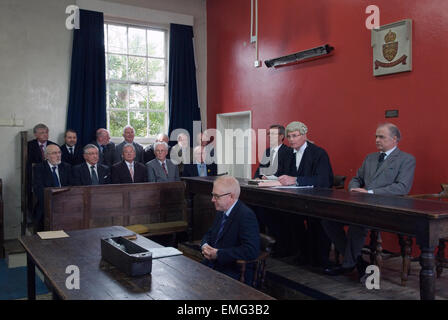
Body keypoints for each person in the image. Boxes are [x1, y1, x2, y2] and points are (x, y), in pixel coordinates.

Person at [322, 123, 416, 279]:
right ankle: (357, 262)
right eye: (376, 137)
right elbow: (356, 179)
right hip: (362, 204)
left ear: (394, 139)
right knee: (327, 219)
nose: (377, 140)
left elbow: (402, 188)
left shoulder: (406, 159)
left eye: (381, 137)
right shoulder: (370, 157)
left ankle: (347, 264)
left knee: (357, 223)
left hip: (388, 207)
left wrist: (370, 192)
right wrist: (353, 188)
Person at [276, 121, 334, 268]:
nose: (291, 140)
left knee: (316, 224)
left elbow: (323, 180)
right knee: (286, 217)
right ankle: (301, 254)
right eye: (289, 137)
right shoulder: (289, 153)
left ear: (304, 135)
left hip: (317, 201)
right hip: (296, 199)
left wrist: (295, 179)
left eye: (295, 136)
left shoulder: (318, 153)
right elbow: (282, 173)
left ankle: (318, 259)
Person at [201, 176, 260, 284]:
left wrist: (219, 254)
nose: (212, 200)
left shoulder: (245, 215)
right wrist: (204, 245)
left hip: (233, 271)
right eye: (213, 195)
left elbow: (251, 250)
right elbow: (209, 234)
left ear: (231, 197)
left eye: (216, 196)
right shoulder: (221, 210)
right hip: (213, 265)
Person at [32, 145, 71, 232]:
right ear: (46, 156)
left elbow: (71, 186)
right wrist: (53, 202)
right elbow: (39, 190)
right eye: (54, 153)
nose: (58, 155)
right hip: (46, 204)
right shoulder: (39, 168)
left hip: (65, 203)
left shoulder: (66, 167)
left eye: (59, 152)